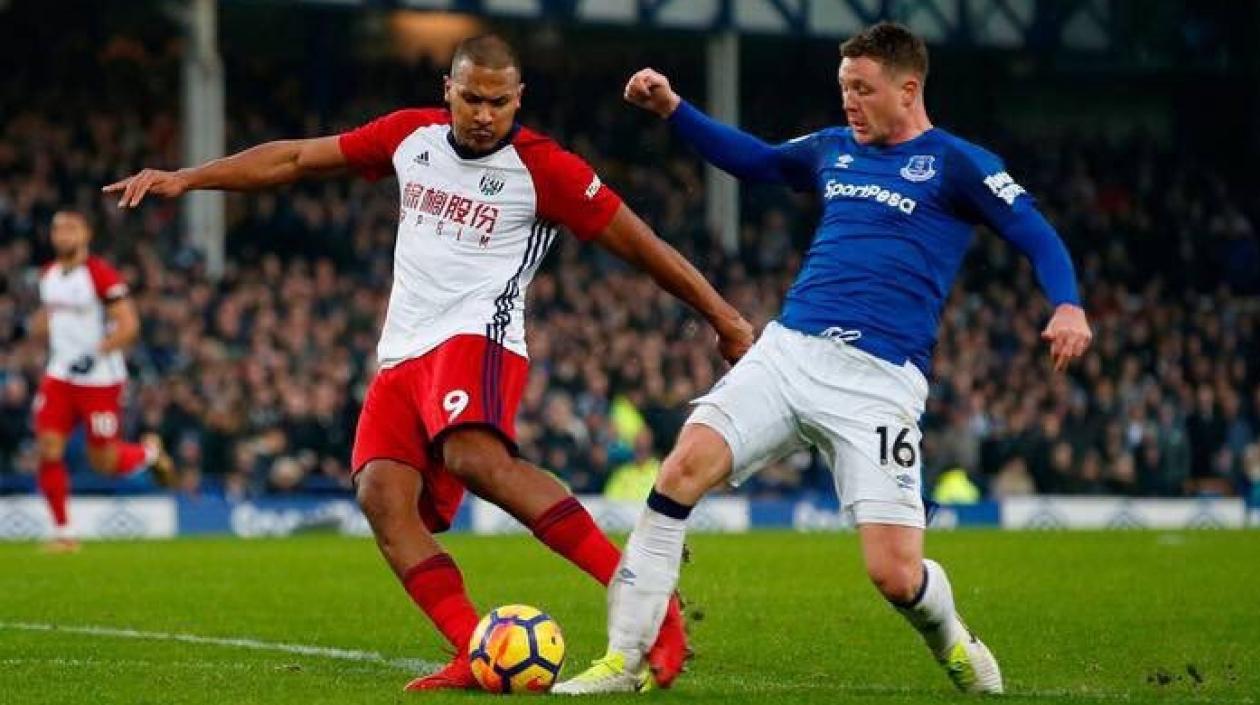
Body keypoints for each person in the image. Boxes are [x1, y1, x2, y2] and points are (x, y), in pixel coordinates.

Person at [103, 34, 753, 691]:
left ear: (517, 99)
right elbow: (299, 158)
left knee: (475, 458)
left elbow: (641, 245)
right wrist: (188, 177)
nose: (482, 114)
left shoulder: (546, 169)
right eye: (471, 98)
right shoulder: (410, 136)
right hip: (404, 350)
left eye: (498, 102)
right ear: (448, 88)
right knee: (381, 495)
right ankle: (476, 649)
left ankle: (653, 605)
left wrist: (724, 318)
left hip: (480, 336)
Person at [556, 22, 1093, 695]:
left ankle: (952, 635)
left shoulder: (958, 163)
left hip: (878, 381)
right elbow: (755, 160)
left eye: (862, 90)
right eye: (844, 88)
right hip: (789, 351)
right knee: (679, 471)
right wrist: (675, 110)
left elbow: (1035, 233)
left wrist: (1066, 303)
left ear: (908, 88)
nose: (849, 103)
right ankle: (623, 658)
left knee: (895, 574)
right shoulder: (834, 149)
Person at [31, 210, 175, 553]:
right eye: (58, 228)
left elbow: (128, 326)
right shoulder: (48, 275)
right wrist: (30, 329)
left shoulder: (100, 275)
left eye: (71, 228)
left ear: (86, 234)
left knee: (104, 463)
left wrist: (93, 353)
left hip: (99, 381)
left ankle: (149, 453)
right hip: (60, 376)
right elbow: (48, 319)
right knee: (48, 449)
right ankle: (64, 533)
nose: (63, 234)